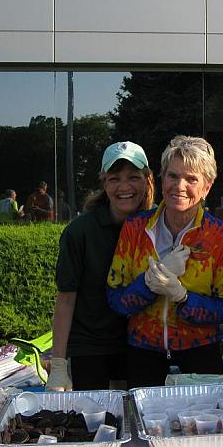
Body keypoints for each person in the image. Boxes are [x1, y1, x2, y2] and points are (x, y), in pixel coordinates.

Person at [107, 135, 223, 387]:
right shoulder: (135, 228)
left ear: (207, 187)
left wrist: (182, 297)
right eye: (172, 176)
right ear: (162, 178)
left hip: (200, 352)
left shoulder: (222, 238)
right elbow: (116, 300)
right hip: (143, 352)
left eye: (191, 179)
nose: (179, 186)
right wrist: (148, 283)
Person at [46, 141, 155, 391]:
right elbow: (65, 299)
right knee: (95, 422)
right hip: (91, 346)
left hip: (142, 345)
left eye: (133, 177)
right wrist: (59, 364)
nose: (124, 187)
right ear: (104, 183)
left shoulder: (158, 225)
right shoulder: (80, 232)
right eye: (115, 178)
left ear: (147, 180)